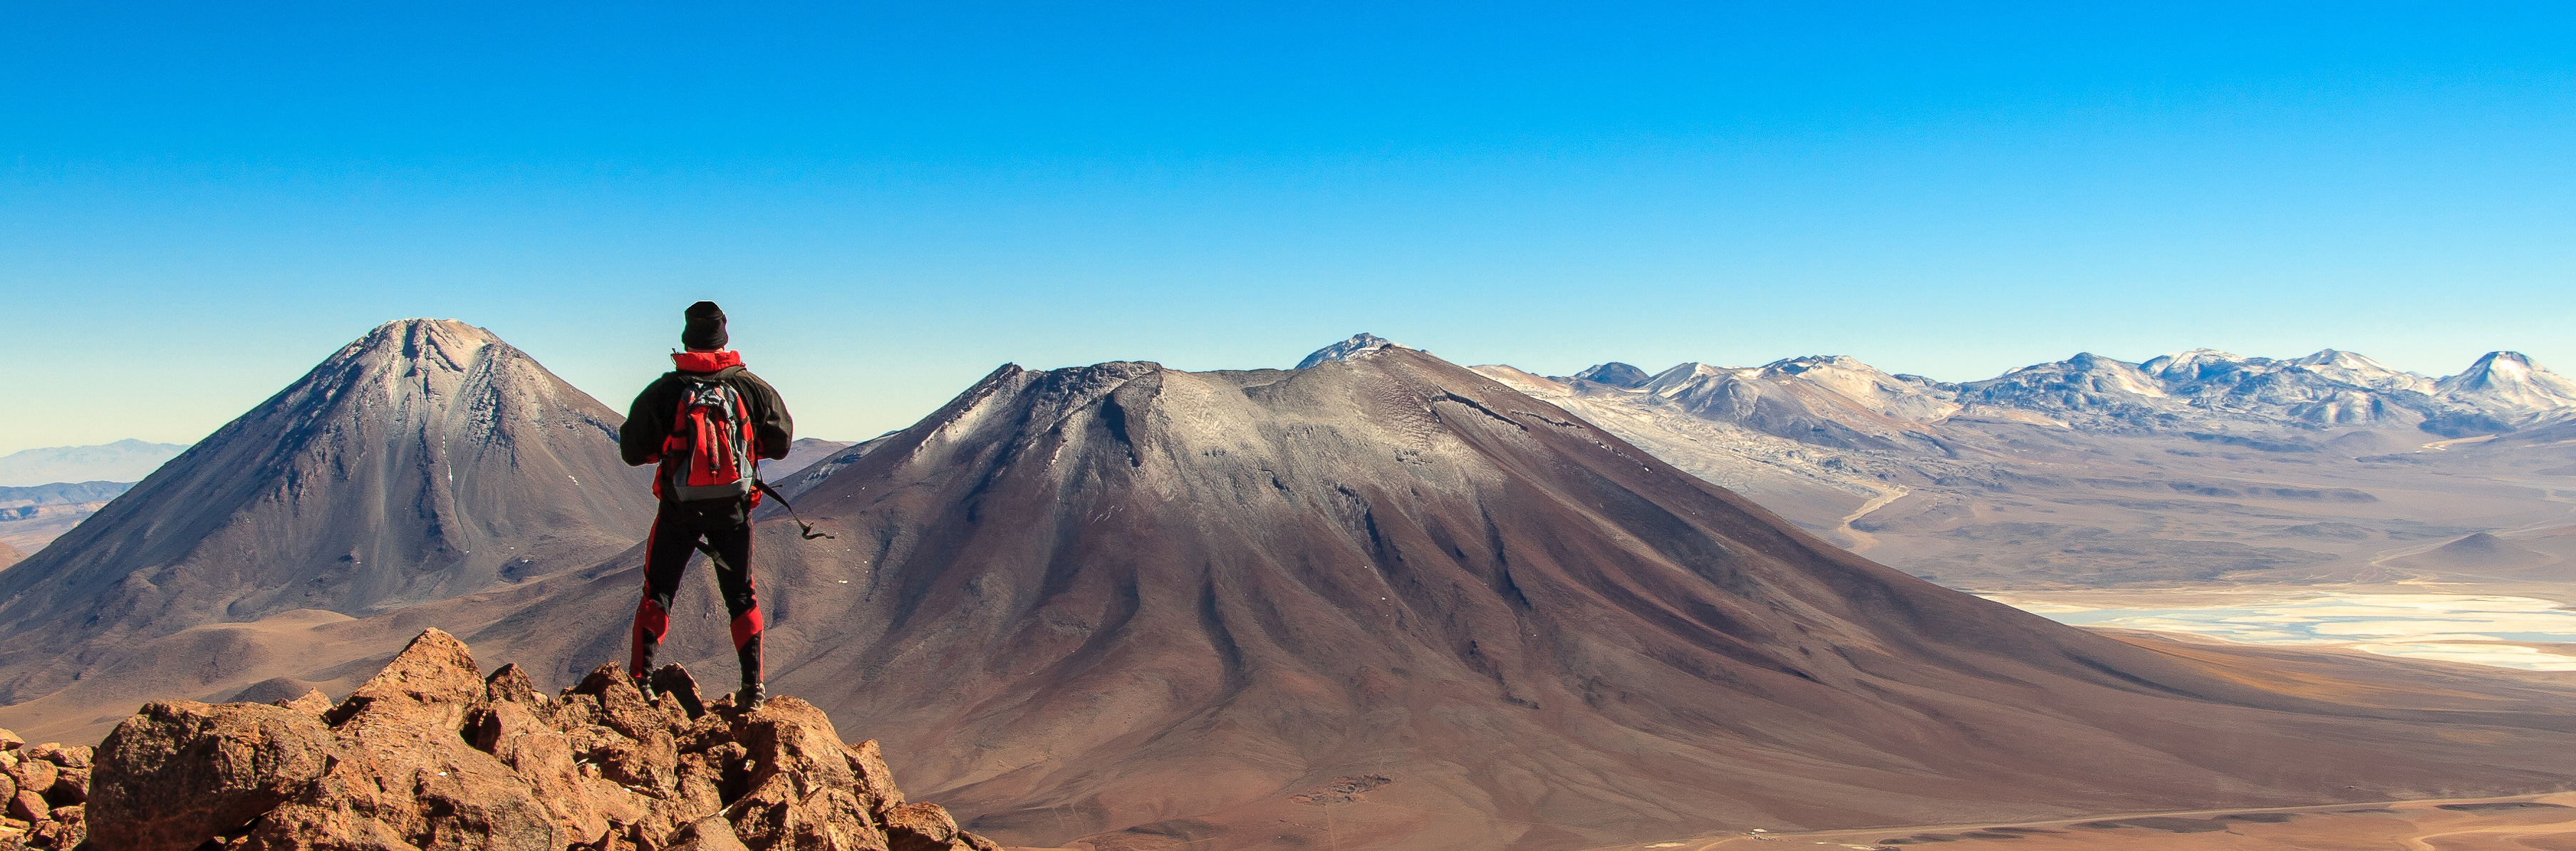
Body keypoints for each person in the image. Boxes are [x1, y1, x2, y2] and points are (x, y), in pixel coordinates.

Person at [620, 301, 793, 709]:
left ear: (686, 338)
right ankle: (753, 690)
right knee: (741, 596)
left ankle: (640, 683)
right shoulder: (751, 388)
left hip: (679, 509)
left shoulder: (665, 391)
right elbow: (782, 444)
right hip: (732, 512)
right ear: (724, 337)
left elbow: (632, 449)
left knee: (658, 591)